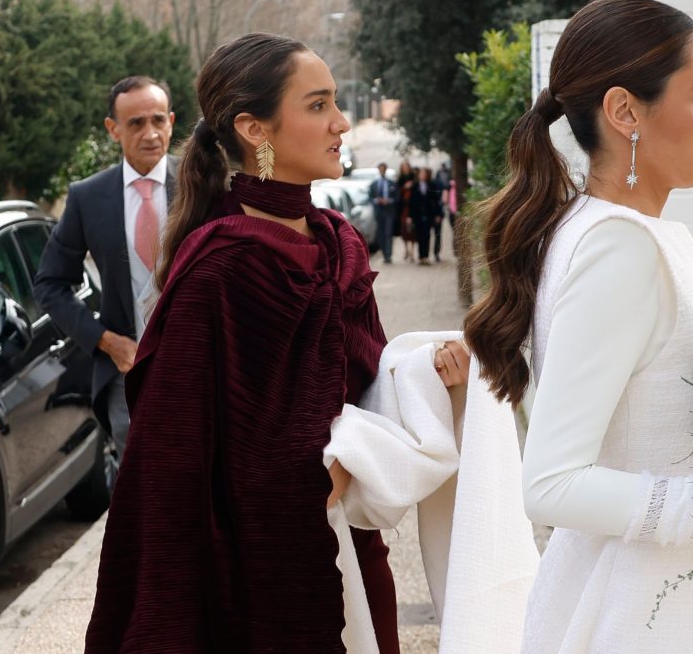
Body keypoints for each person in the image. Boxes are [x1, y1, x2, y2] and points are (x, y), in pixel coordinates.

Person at [464, 0, 693, 652]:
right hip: (641, 616)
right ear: (625, 111)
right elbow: (552, 484)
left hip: (669, 599)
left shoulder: (627, 235)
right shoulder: (619, 248)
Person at [84, 34, 468, 653]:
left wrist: (429, 375)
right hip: (254, 584)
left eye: (335, 102)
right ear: (254, 129)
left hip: (348, 556)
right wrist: (319, 477)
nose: (341, 122)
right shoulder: (218, 270)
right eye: (317, 106)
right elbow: (174, 469)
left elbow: (368, 387)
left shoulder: (339, 243)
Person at [34, 76, 179, 460]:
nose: (150, 133)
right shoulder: (88, 197)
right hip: (127, 377)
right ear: (112, 129)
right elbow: (50, 284)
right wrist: (106, 341)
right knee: (138, 497)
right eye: (136, 123)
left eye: (158, 120)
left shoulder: (204, 185)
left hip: (200, 369)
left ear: (172, 122)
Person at [408, 166, 443, 265]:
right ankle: (421, 256)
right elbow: (411, 202)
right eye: (421, 174)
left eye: (424, 174)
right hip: (417, 215)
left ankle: (426, 256)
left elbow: (436, 201)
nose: (422, 176)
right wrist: (410, 216)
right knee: (419, 236)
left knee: (427, 235)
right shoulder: (415, 186)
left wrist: (438, 214)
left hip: (429, 215)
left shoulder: (431, 185)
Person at [368, 162, 398, 264]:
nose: (382, 171)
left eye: (383, 169)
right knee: (380, 234)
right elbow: (370, 197)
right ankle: (384, 253)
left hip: (389, 212)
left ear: (386, 170)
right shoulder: (374, 184)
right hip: (379, 212)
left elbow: (397, 198)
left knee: (388, 233)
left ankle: (388, 255)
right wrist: (378, 200)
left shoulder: (392, 183)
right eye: (380, 169)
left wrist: (388, 201)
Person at [396, 159, 417, 262]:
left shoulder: (414, 178)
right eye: (403, 167)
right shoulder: (400, 179)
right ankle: (406, 249)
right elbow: (397, 194)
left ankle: (412, 252)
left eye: (406, 167)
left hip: (412, 208)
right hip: (403, 208)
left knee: (412, 231)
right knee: (404, 230)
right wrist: (404, 188)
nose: (405, 169)